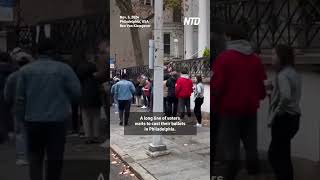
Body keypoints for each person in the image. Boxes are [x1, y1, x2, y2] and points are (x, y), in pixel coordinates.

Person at [15, 38, 81, 180]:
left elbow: (19, 98)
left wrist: (21, 118)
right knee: (55, 158)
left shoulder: (25, 71)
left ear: (37, 52)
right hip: (57, 120)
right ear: (54, 52)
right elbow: (77, 92)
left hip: (32, 120)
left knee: (35, 157)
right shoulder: (64, 69)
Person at [212, 24, 267, 180]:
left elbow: (217, 87)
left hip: (229, 110)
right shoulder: (256, 60)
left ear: (229, 38)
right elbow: (261, 87)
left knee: (231, 149)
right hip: (250, 109)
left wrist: (216, 106)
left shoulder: (224, 59)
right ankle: (254, 175)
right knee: (251, 147)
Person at [268, 45, 301, 180]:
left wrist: (277, 111)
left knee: (274, 155)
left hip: (284, 119)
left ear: (281, 57)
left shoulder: (282, 75)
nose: (271, 58)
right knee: (284, 154)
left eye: (273, 55)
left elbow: (286, 97)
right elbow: (290, 94)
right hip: (294, 118)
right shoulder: (294, 73)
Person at [4, 49, 33, 166]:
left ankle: (22, 157)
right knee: (32, 131)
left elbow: (7, 95)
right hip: (33, 107)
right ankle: (33, 155)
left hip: (18, 107)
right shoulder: (33, 75)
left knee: (20, 132)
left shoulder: (12, 76)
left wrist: (10, 103)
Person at [77, 54, 102, 144]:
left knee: (86, 117)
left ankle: (88, 136)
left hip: (84, 95)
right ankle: (95, 136)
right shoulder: (96, 70)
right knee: (96, 116)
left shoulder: (80, 71)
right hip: (95, 95)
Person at [0, 52, 16, 144]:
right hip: (11, 94)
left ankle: (3, 136)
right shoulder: (13, 69)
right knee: (10, 115)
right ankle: (10, 134)